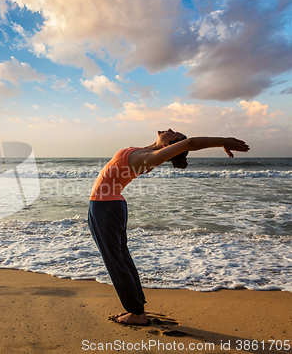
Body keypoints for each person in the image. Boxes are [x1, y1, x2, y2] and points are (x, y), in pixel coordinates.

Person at [88, 129, 250, 325]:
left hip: (106, 207)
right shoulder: (147, 151)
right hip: (109, 206)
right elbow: (184, 144)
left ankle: (137, 313)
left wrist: (222, 141)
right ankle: (136, 306)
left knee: (116, 261)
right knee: (121, 259)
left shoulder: (150, 157)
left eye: (173, 133)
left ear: (168, 146)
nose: (170, 129)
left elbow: (190, 143)